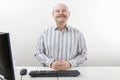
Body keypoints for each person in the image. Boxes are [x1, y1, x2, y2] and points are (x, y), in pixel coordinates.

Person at [35, 3, 87, 71]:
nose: (61, 13)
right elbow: (38, 52)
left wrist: (70, 63)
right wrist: (51, 63)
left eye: (64, 11)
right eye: (57, 11)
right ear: (53, 14)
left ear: (69, 14)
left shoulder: (78, 34)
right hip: (49, 71)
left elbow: (83, 54)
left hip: (70, 71)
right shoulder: (44, 33)